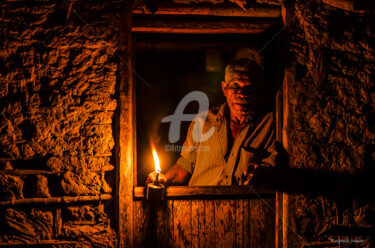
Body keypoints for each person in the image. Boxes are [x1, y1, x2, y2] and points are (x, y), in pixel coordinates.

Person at [147, 57, 277, 186]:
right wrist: (164, 178)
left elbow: (273, 167)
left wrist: (261, 172)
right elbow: (185, 166)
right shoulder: (202, 121)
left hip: (245, 206)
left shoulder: (268, 124)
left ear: (258, 91)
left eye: (249, 88)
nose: (242, 94)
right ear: (224, 89)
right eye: (235, 86)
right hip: (201, 206)